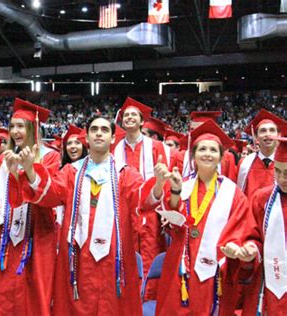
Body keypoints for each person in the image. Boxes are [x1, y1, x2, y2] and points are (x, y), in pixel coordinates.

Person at [17, 115, 167, 315]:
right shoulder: (71, 172)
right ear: (86, 137)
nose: (99, 133)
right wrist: (29, 170)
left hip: (114, 256)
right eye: (94, 129)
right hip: (78, 257)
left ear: (113, 138)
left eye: (105, 130)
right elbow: (51, 194)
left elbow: (141, 199)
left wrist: (157, 185)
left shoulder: (125, 174)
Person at [155, 120, 249, 315]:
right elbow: (172, 222)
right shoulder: (182, 183)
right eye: (202, 149)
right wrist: (175, 190)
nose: (207, 154)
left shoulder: (233, 193)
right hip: (181, 261)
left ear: (221, 157)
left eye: (213, 150)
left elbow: (240, 226)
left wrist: (233, 244)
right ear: (194, 155)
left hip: (216, 265)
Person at [0, 98, 60, 315]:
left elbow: (51, 195)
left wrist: (29, 170)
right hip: (7, 235)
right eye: (12, 126)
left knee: (34, 289)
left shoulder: (50, 157)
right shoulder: (4, 159)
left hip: (38, 232)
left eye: (21, 126)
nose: (15, 131)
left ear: (32, 128)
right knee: (5, 288)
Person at [113, 97, 173, 275]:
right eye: (126, 115)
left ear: (141, 121)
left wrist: (166, 210)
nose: (129, 117)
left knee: (150, 253)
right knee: (125, 254)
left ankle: (149, 298)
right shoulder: (114, 148)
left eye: (134, 115)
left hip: (151, 212)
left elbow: (165, 179)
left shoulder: (156, 147)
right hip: (123, 210)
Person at [238, 136, 287, 315]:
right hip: (272, 279)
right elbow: (254, 236)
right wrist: (251, 248)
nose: (282, 179)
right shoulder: (262, 198)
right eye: (278, 171)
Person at [237, 109, 286, 198]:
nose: (268, 134)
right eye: (263, 131)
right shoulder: (244, 164)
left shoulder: (284, 164)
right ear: (255, 137)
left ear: (279, 135)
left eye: (272, 130)